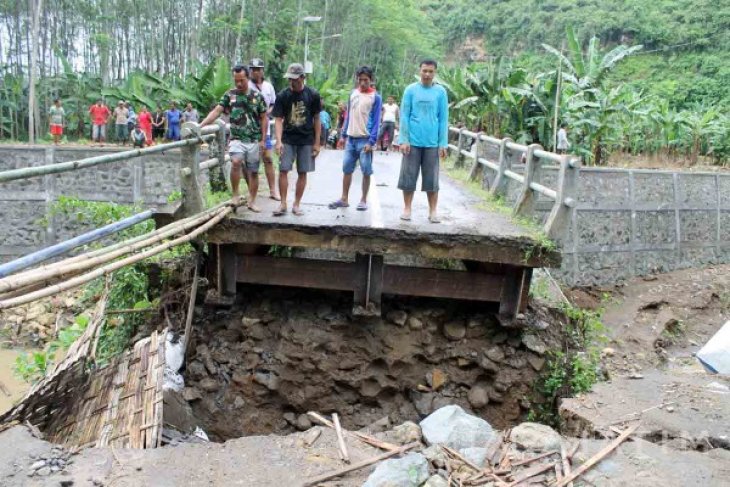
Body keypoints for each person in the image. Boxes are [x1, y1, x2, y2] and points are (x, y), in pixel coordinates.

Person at [200, 65, 268, 211]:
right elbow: (217, 111)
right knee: (236, 162)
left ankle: (252, 200)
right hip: (237, 138)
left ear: (248, 78)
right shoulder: (229, 95)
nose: (238, 84)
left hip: (253, 139)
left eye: (242, 80)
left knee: (253, 171)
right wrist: (201, 126)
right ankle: (235, 195)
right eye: (236, 80)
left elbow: (264, 118)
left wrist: (263, 139)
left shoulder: (257, 97)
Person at [398, 59, 449, 223]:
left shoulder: (440, 92)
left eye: (430, 71)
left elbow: (443, 119)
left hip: (432, 143)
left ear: (435, 73)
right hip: (412, 142)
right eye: (424, 71)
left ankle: (433, 211)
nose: (427, 74)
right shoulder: (410, 90)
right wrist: (404, 139)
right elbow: (404, 115)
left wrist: (443, 143)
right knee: (408, 177)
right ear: (419, 71)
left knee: (432, 179)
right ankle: (407, 208)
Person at [328, 66, 382, 212]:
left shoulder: (375, 97)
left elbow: (377, 121)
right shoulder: (353, 94)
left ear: (371, 80)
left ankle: (363, 199)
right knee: (347, 168)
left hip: (365, 139)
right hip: (351, 139)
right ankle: (344, 198)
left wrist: (372, 141)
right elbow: (348, 116)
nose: (363, 83)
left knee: (366, 170)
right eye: (360, 80)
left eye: (366, 80)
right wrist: (343, 135)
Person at [271, 63, 321, 216]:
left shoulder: (312, 95)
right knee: (284, 169)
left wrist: (317, 143)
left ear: (302, 78)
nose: (291, 82)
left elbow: (317, 119)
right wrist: (278, 141)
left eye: (295, 79)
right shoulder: (283, 95)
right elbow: (278, 119)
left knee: (302, 172)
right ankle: (283, 203)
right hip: (288, 138)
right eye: (290, 79)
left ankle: (297, 204)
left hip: (306, 139)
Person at [248, 57, 280, 201]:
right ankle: (251, 191)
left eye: (258, 70)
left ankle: (273, 190)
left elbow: (274, 103)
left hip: (265, 130)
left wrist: (267, 112)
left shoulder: (268, 87)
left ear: (262, 71)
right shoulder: (246, 86)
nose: (255, 73)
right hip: (249, 130)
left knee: (268, 158)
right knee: (250, 161)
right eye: (253, 70)